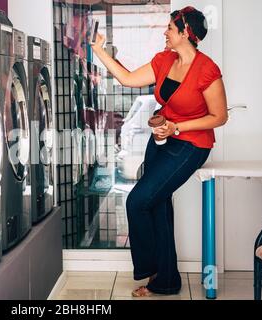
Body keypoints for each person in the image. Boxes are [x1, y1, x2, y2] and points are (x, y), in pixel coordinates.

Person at [91, 6, 228, 297]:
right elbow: (127, 79)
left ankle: (151, 271)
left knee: (137, 201)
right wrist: (100, 52)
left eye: (170, 28)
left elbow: (219, 117)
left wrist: (178, 127)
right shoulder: (164, 60)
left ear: (185, 33)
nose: (165, 32)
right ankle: (166, 281)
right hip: (162, 139)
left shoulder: (207, 70)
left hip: (191, 146)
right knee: (158, 205)